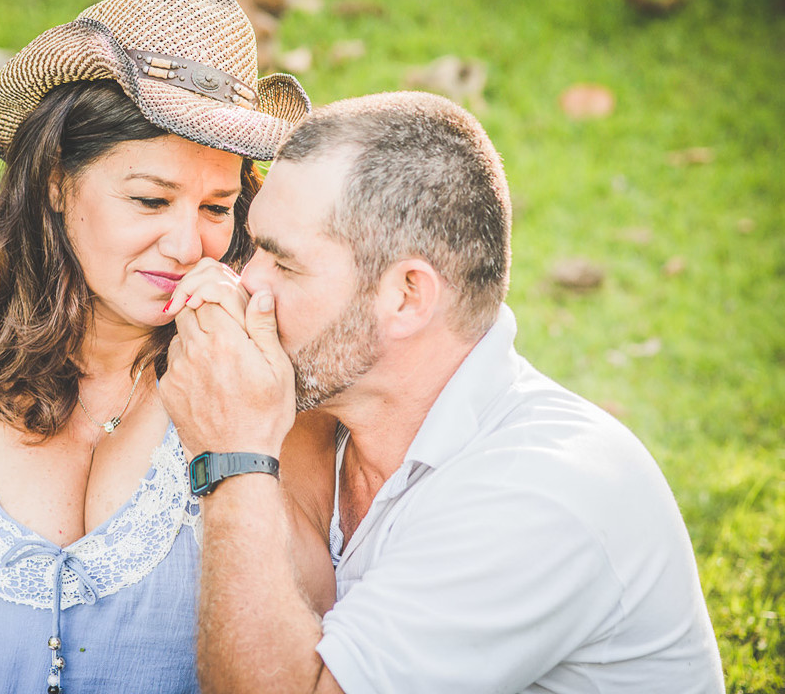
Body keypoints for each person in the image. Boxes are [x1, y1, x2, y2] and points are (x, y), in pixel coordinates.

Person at [0, 0, 321, 694]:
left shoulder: (264, 392)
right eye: (149, 199)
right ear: (57, 182)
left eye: (218, 207)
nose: (189, 245)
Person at [159, 91, 725, 693]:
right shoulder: (329, 420)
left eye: (284, 264)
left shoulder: (536, 495)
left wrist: (233, 456)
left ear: (408, 296)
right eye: (254, 249)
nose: (245, 282)